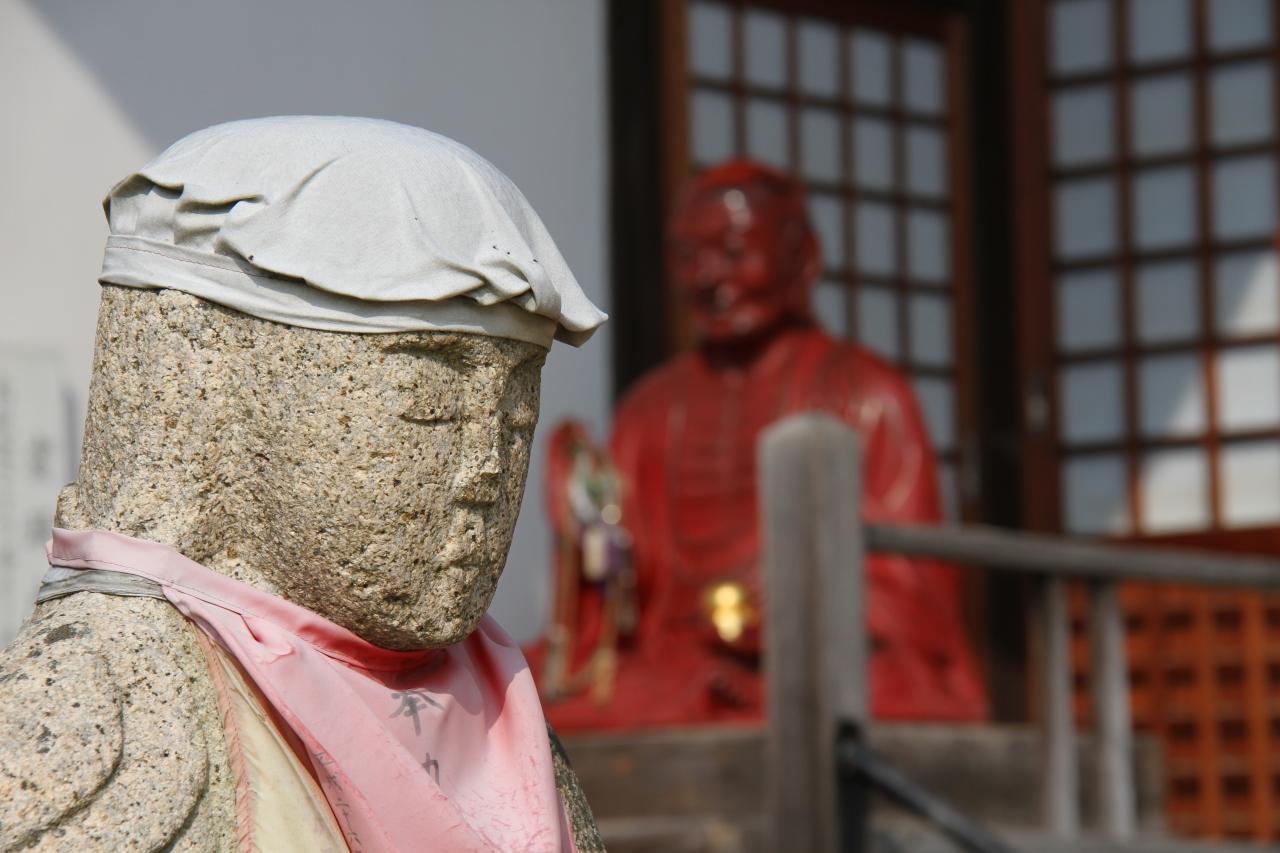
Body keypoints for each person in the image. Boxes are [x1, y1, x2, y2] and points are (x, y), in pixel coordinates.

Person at [0, 117, 605, 852]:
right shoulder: (108, 718)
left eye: (516, 412)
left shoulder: (499, 703)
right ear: (213, 378)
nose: (484, 466)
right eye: (427, 399)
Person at [538, 160, 988, 731]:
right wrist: (585, 517)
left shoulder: (869, 396)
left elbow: (913, 594)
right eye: (689, 256)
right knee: (527, 689)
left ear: (803, 257)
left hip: (811, 659)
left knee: (878, 687)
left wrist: (798, 606)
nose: (708, 276)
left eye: (732, 252)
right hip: (678, 661)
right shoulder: (648, 413)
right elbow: (621, 602)